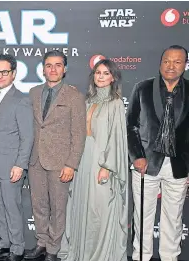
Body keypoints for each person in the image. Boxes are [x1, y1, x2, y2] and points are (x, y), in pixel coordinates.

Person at [58, 59, 128, 261]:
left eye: (106, 73)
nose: (101, 76)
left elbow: (116, 137)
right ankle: (81, 253)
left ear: (113, 77)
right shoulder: (86, 101)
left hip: (102, 162)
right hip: (83, 160)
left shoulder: (115, 104)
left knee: (100, 211)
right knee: (83, 210)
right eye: (98, 72)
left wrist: (107, 166)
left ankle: (100, 256)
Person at [127, 45, 189, 261]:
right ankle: (141, 257)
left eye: (177, 62)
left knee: (173, 218)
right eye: (167, 61)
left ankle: (170, 257)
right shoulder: (143, 88)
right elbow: (131, 126)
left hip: (179, 166)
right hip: (146, 165)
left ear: (185, 65)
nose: (170, 66)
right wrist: (137, 156)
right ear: (160, 63)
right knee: (142, 215)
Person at [24, 50, 86, 261]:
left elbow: (78, 134)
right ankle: (41, 242)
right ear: (43, 69)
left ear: (65, 69)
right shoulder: (32, 93)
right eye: (49, 65)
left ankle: (53, 249)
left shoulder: (75, 96)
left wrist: (71, 164)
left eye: (58, 65)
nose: (53, 69)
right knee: (38, 204)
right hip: (35, 160)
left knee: (58, 208)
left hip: (60, 162)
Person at [0, 54, 34, 261]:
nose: (0, 75)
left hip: (11, 165)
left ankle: (17, 248)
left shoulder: (21, 100)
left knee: (12, 207)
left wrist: (20, 165)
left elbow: (27, 136)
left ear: (13, 74)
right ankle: (4, 244)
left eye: (5, 72)